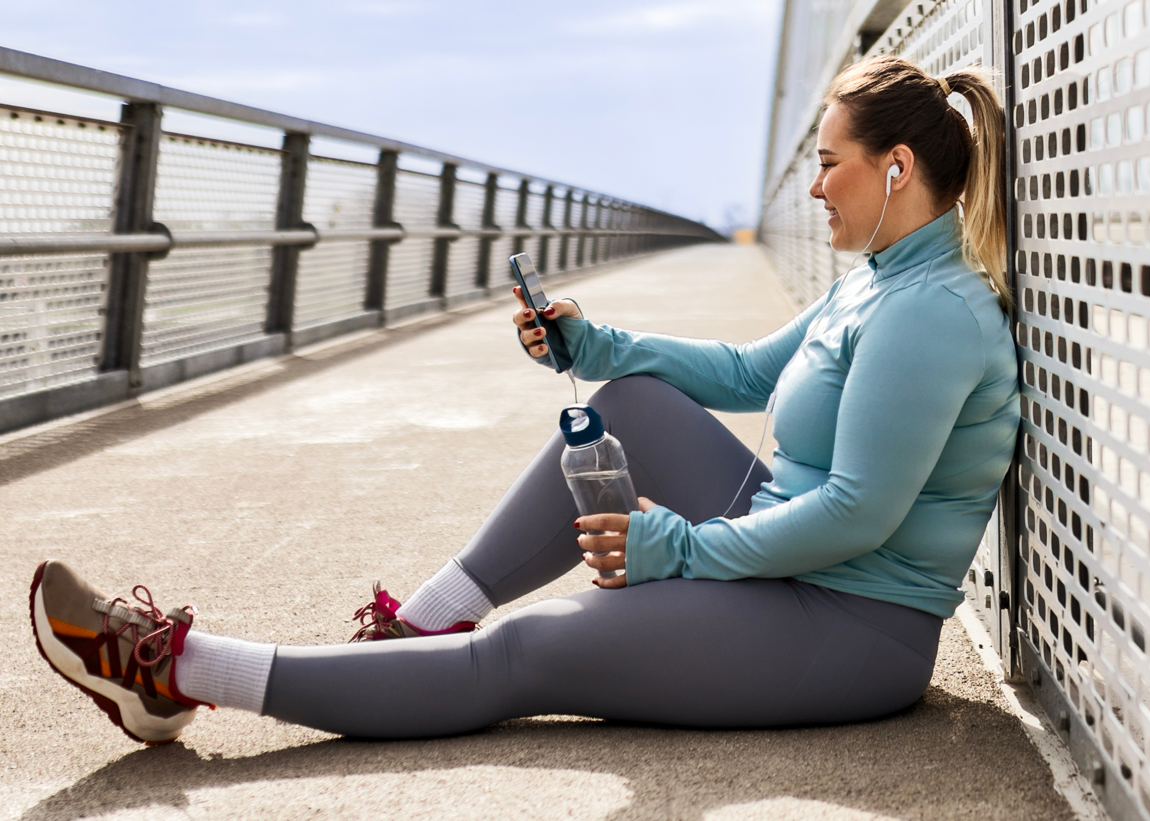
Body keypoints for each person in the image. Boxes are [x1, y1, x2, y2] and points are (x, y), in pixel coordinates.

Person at [29, 55, 1019, 745]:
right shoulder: (877, 278)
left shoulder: (929, 314)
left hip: (848, 627)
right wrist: (595, 344)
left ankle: (174, 673)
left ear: (895, 169)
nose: (811, 186)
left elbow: (858, 514)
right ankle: (419, 628)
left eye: (829, 160)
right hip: (790, 556)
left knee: (527, 653)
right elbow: (748, 375)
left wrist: (682, 549)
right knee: (626, 397)